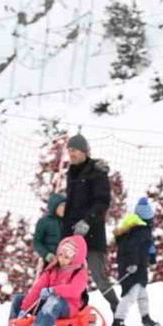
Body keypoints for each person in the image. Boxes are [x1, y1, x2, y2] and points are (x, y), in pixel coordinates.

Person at [60, 134, 120, 312]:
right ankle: (76, 312)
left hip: (92, 233)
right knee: (70, 276)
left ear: (84, 151)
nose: (72, 154)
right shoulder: (70, 173)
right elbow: (70, 205)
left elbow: (102, 202)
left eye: (75, 150)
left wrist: (87, 221)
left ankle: (117, 310)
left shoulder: (97, 171)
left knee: (98, 275)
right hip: (72, 234)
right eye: (69, 150)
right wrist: (64, 233)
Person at [2, 235, 91, 326]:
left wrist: (54, 290)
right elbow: (37, 289)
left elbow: (75, 290)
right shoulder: (52, 270)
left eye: (67, 257)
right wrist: (24, 309)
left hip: (68, 306)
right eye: (60, 255)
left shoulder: (79, 272)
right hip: (48, 304)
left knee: (54, 300)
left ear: (75, 258)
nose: (62, 259)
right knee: (18, 298)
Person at [111, 197, 159, 326]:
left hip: (138, 268)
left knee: (142, 295)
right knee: (130, 295)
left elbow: (149, 246)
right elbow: (132, 248)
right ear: (148, 218)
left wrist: (152, 257)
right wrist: (132, 264)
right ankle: (118, 321)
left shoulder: (136, 230)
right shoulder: (141, 231)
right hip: (133, 269)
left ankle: (146, 319)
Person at [32, 193, 68, 270]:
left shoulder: (68, 221)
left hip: (66, 260)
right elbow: (37, 242)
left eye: (65, 205)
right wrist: (47, 255)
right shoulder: (44, 222)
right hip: (50, 260)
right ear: (54, 207)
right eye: (61, 206)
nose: (64, 208)